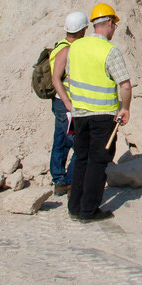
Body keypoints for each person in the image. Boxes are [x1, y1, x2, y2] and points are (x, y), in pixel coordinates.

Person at [52, 2, 133, 222]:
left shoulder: (75, 47)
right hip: (103, 116)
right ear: (109, 23)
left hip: (80, 116)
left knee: (81, 159)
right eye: (114, 24)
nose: (114, 29)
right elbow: (124, 85)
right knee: (98, 162)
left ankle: (75, 207)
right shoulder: (109, 51)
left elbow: (69, 76)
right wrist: (125, 108)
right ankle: (89, 211)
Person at [48, 11, 88, 196]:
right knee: (77, 143)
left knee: (61, 141)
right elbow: (57, 79)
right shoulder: (66, 50)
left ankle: (59, 180)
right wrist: (68, 103)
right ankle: (70, 181)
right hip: (66, 105)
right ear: (81, 30)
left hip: (61, 104)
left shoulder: (61, 46)